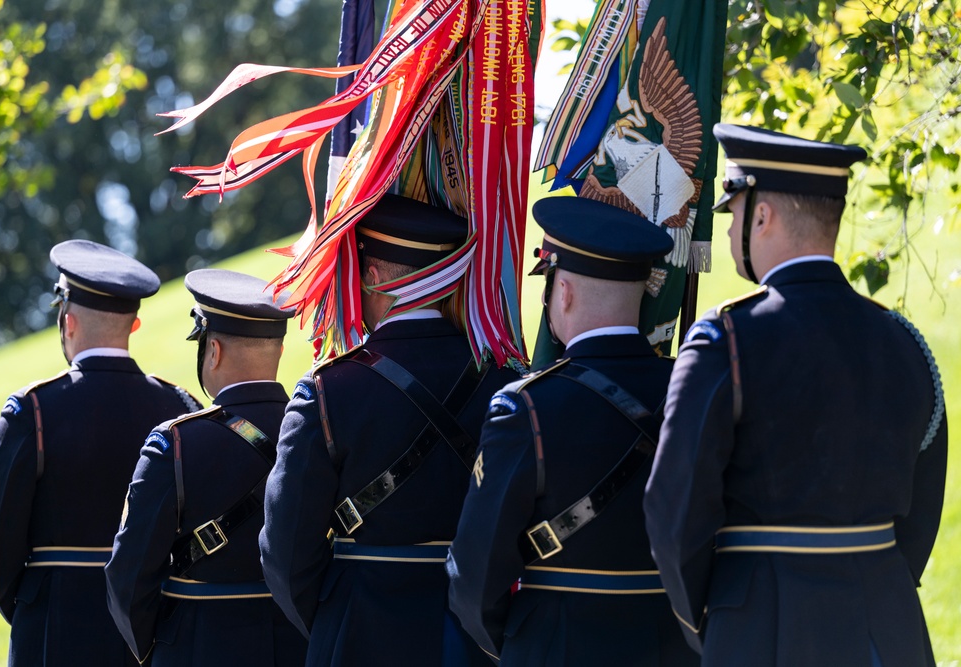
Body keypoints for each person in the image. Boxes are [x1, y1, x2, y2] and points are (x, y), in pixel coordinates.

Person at [644, 124, 948, 667]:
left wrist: (713, 620)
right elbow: (921, 516)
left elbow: (675, 510)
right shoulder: (906, 343)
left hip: (761, 629)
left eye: (734, 213)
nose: (734, 223)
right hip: (887, 628)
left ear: (762, 216)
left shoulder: (726, 339)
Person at [260, 194, 518, 666]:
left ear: (373, 275)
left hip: (360, 634)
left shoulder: (328, 389)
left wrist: (332, 622)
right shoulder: (505, 377)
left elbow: (284, 550)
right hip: (474, 646)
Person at [446, 196, 697, 665]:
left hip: (555, 646)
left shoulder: (526, 406)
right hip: (675, 646)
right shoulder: (694, 391)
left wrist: (523, 645)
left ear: (561, 292)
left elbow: (475, 578)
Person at [0, 239, 201, 666]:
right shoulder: (181, 409)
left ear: (68, 319)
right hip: (154, 638)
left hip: (53, 633)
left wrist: (35, 605)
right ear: (134, 325)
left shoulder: (32, 410)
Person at [104, 268, 307, 666]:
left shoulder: (175, 443)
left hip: (200, 647)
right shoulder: (318, 423)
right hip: (301, 648)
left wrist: (161, 651)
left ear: (212, 350)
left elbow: (127, 578)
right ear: (279, 351)